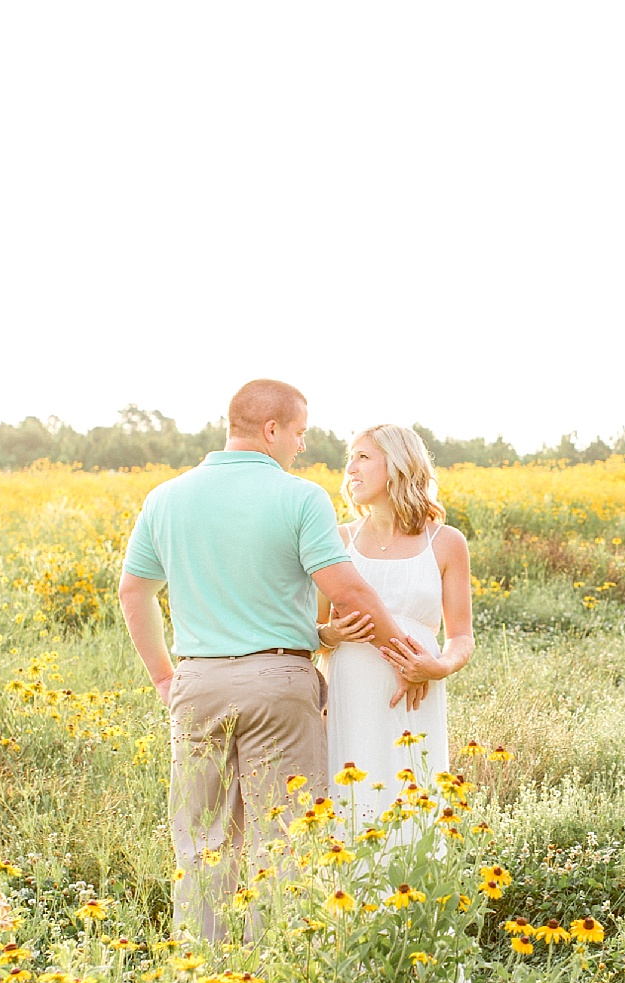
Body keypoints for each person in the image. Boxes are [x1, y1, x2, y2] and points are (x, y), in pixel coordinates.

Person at [116, 379, 411, 945]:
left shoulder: (166, 497)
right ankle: (274, 977)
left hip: (197, 683)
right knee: (288, 837)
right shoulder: (299, 497)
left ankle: (204, 977)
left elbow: (134, 592)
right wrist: (404, 651)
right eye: (298, 433)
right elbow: (345, 587)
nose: (301, 446)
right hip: (279, 684)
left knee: (201, 842)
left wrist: (162, 676)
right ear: (272, 430)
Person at [317, 424, 474, 849]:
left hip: (416, 697)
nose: (350, 467)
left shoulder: (446, 543)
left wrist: (437, 666)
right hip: (350, 692)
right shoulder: (338, 540)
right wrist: (331, 632)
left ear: (400, 464)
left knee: (413, 805)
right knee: (354, 801)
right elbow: (310, 632)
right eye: (350, 457)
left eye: (364, 457)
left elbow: (462, 636)